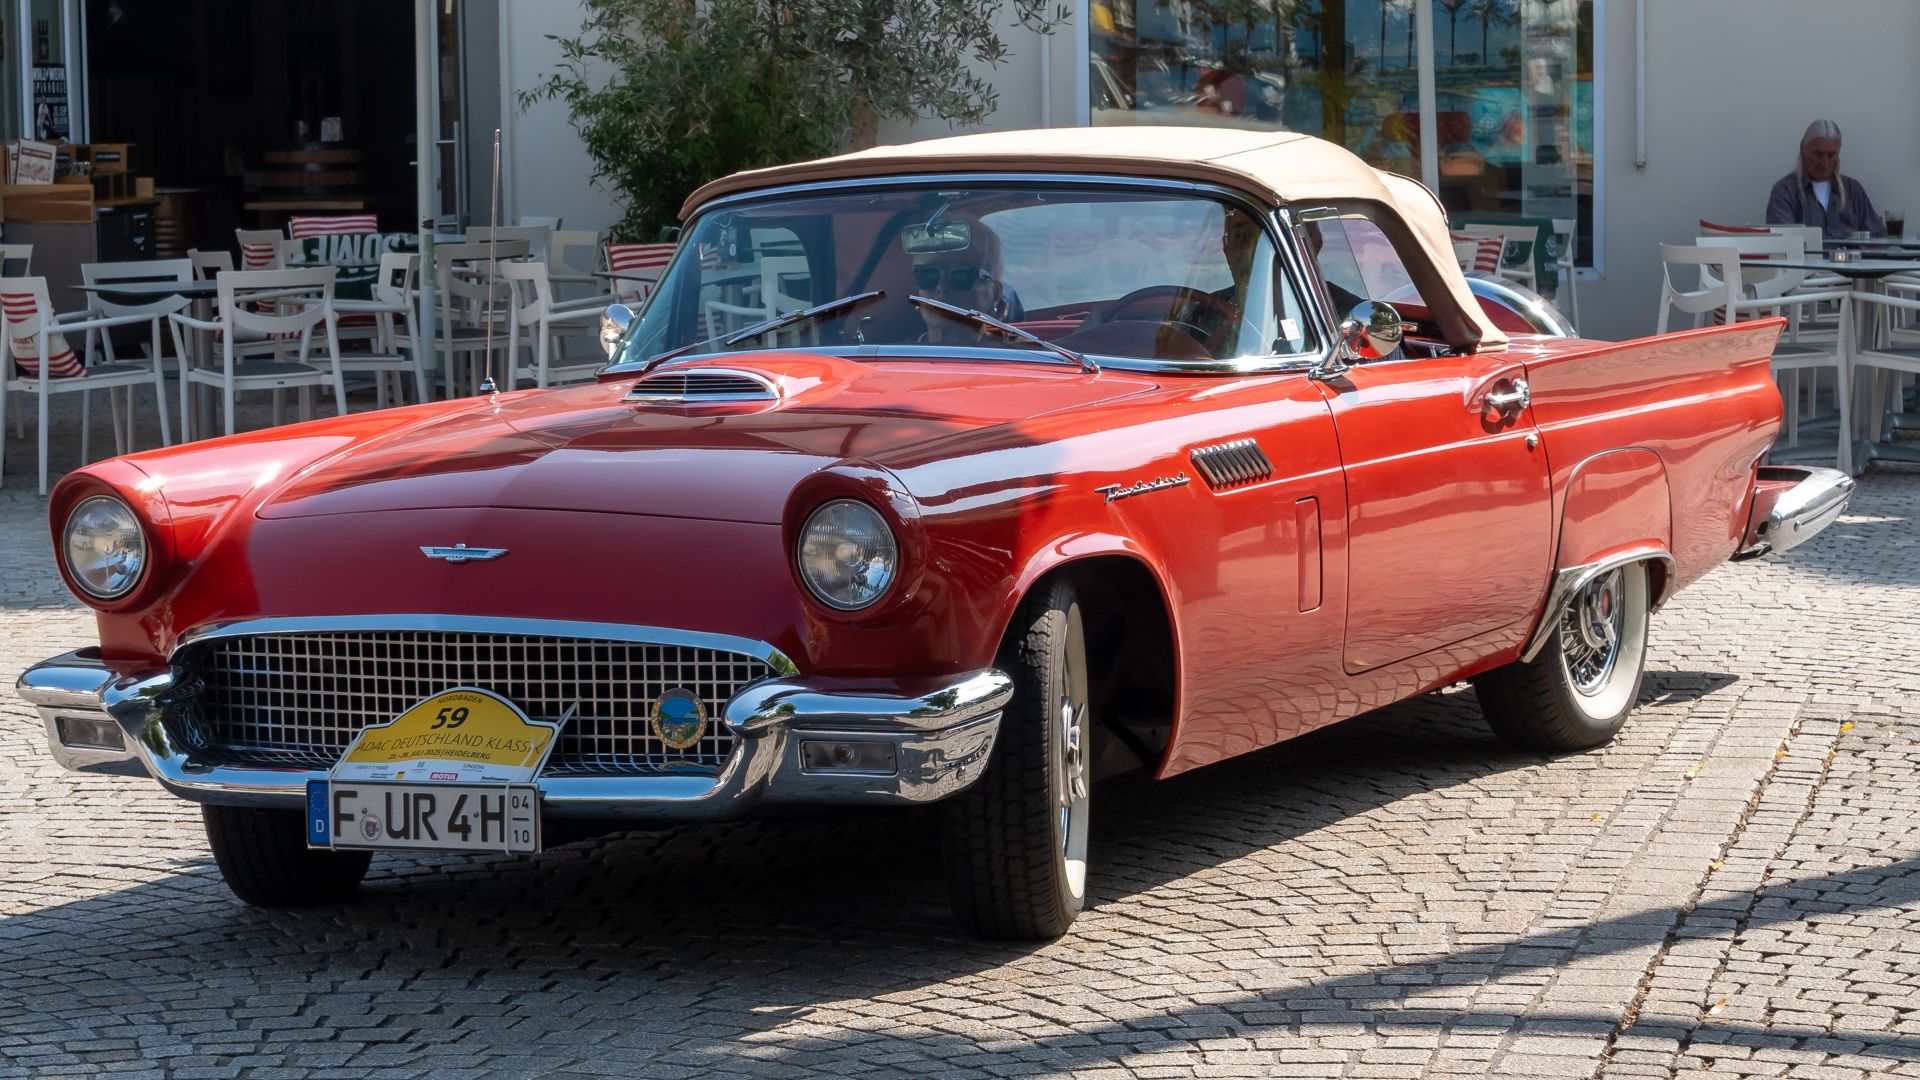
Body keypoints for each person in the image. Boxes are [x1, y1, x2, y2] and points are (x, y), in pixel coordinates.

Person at [1766, 119, 1883, 239]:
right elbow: (1782, 240)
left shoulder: (1853, 190)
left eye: (1831, 155)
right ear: (1803, 150)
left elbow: (1877, 237)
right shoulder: (1785, 191)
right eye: (1818, 154)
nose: (1825, 163)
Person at [911, 218, 1015, 345]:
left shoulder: (1017, 355)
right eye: (928, 275)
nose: (941, 286)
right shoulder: (896, 354)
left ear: (995, 293)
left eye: (961, 276)